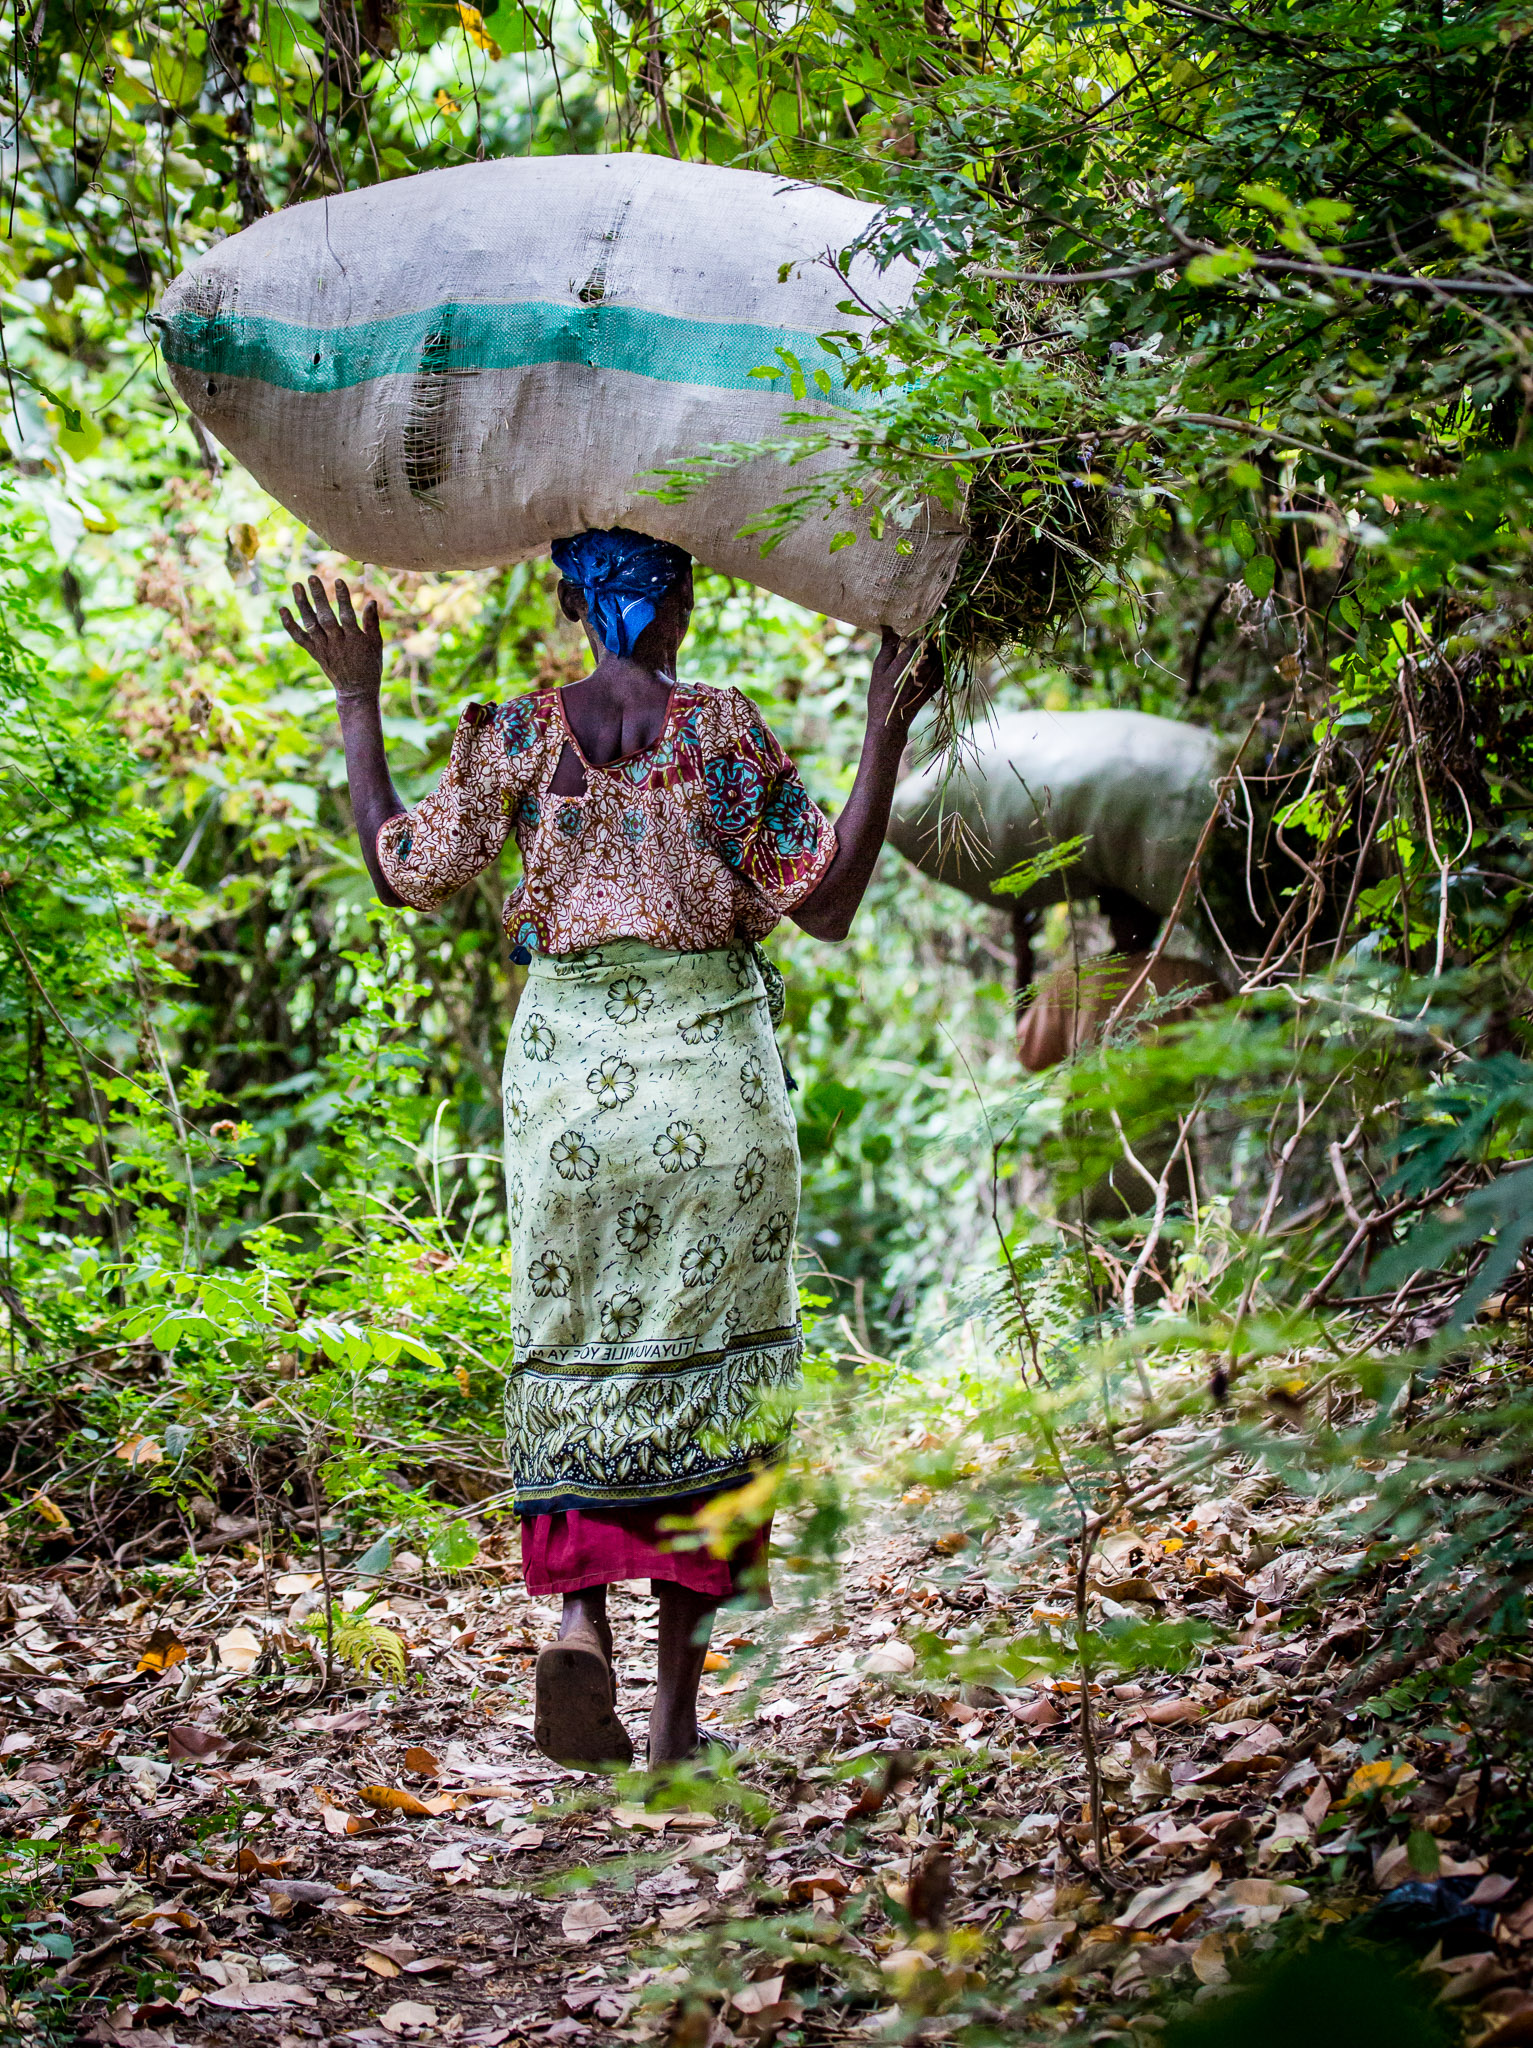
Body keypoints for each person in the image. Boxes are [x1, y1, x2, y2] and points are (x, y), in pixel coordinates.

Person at [280, 529, 940, 1769]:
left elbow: (402, 869)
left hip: (573, 1110)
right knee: (708, 1379)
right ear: (683, 595)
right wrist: (884, 720)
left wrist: (359, 698)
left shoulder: (519, 737)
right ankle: (680, 1723)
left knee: (578, 1352)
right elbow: (830, 898)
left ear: (570, 600)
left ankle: (579, 1617)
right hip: (716, 1109)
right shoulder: (724, 732)